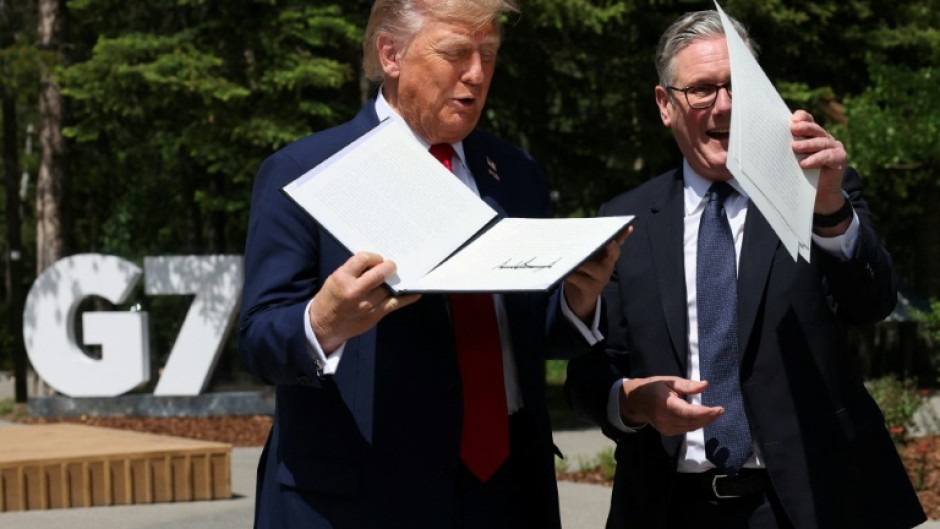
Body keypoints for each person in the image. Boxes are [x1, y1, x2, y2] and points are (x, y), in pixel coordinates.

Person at [238, 1, 623, 528]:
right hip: (361, 501)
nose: (478, 73)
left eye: (489, 54)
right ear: (391, 54)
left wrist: (579, 298)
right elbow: (259, 340)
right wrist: (322, 323)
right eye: (456, 53)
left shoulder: (514, 172)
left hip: (507, 494)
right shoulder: (307, 172)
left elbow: (524, 335)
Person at [565, 10, 926, 529]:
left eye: (738, 88)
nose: (725, 106)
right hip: (667, 507)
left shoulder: (815, 190)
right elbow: (589, 370)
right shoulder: (624, 222)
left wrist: (827, 209)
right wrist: (634, 403)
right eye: (703, 90)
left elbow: (871, 303)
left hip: (807, 505)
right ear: (666, 105)